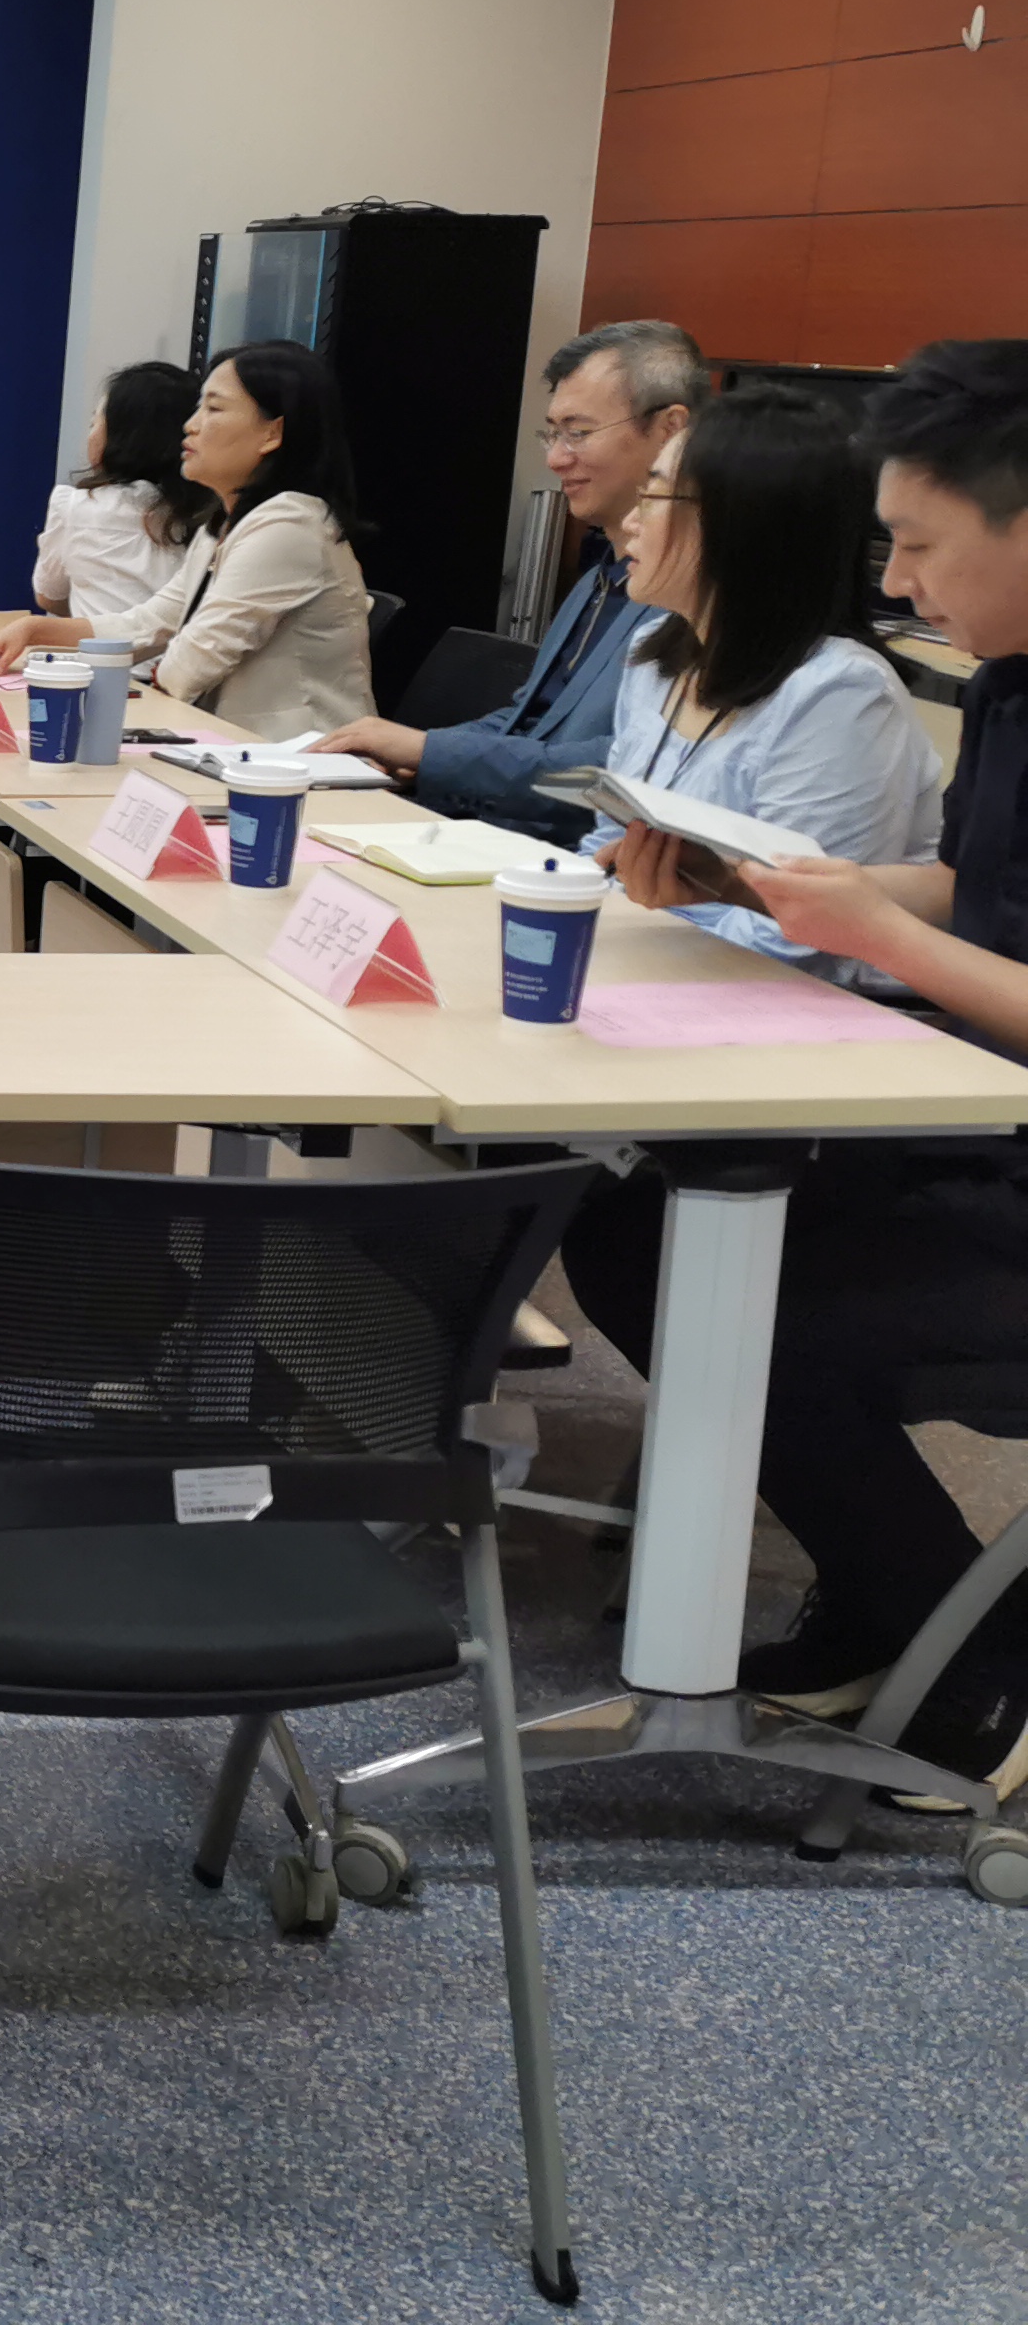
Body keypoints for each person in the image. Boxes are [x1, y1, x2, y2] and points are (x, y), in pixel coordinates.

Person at [559, 340, 1028, 1803]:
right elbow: (978, 892)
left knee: (756, 1300)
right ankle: (902, 1608)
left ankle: (975, 1650)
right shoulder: (1008, 687)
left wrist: (875, 929)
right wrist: (778, 886)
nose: (897, 583)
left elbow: (947, 941)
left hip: (1002, 1156)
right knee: (638, 1233)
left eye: (922, 547)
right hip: (974, 1117)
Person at [583, 385, 943, 976]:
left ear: (741, 522)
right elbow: (607, 845)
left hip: (792, 1003)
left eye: (652, 495)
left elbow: (804, 943)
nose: (628, 521)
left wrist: (640, 923)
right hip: (661, 964)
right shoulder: (654, 651)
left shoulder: (840, 693)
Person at [312, 318, 700, 844]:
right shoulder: (597, 579)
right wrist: (414, 754)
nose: (555, 458)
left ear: (670, 429)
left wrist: (431, 754)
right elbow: (527, 720)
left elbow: (630, 768)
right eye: (553, 433)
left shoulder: (691, 597)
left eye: (579, 433)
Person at [0, 340, 374, 737]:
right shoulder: (228, 522)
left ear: (272, 434)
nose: (191, 424)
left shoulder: (290, 525)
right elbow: (149, 623)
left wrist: (140, 676)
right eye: (197, 407)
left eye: (214, 408)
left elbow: (190, 664)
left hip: (303, 761)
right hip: (236, 748)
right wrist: (35, 631)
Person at [31, 360, 210, 621]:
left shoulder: (76, 505)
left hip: (97, 644)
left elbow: (49, 595)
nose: (90, 433)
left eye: (94, 423)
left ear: (121, 438)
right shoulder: (207, 511)